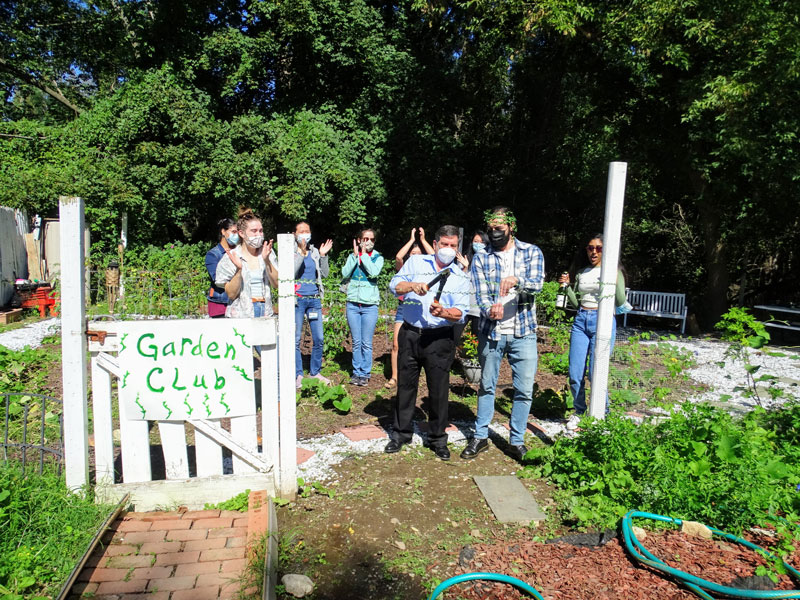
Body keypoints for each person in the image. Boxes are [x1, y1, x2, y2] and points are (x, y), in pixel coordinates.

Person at [461, 207, 544, 462]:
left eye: (499, 227)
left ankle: (516, 441)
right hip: (492, 331)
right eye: (491, 228)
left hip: (523, 332)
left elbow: (537, 285)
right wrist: (489, 310)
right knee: (486, 385)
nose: (494, 232)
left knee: (523, 389)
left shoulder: (531, 252)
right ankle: (480, 436)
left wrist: (517, 280)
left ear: (511, 227)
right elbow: (481, 292)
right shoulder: (482, 257)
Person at [386, 225, 470, 461]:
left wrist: (444, 312)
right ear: (434, 244)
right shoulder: (415, 264)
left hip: (440, 337)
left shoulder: (461, 276)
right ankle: (401, 434)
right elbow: (395, 286)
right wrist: (412, 286)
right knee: (405, 386)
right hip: (411, 333)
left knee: (439, 391)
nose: (448, 249)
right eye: (444, 244)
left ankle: (437, 439)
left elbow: (461, 313)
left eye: (453, 246)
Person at [558, 233, 628, 431]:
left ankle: (601, 413)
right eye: (590, 248)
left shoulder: (612, 271)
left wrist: (615, 278)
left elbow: (621, 301)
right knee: (575, 371)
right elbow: (575, 303)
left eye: (599, 248)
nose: (594, 252)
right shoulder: (582, 273)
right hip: (581, 319)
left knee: (596, 370)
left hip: (603, 320)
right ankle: (579, 412)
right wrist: (566, 286)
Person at [385, 228, 435, 390]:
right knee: (396, 344)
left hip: (423, 312)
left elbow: (434, 254)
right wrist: (411, 239)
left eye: (418, 254)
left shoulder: (429, 269)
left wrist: (423, 240)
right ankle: (394, 377)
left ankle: (415, 376)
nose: (415, 256)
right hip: (403, 309)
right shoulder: (404, 270)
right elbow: (399, 257)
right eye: (412, 254)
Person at [214, 209, 277, 319]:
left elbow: (277, 284)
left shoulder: (267, 252)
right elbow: (231, 294)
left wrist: (267, 261)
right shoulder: (232, 256)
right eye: (254, 231)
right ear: (241, 233)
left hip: (265, 311)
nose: (258, 235)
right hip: (241, 314)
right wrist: (239, 270)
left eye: (261, 231)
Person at [342, 228, 385, 386]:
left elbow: (374, 273)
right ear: (359, 240)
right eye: (365, 239)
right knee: (356, 341)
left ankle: (365, 373)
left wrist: (364, 256)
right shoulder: (352, 255)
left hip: (370, 305)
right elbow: (345, 273)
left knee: (366, 342)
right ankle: (356, 372)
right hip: (352, 303)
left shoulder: (377, 257)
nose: (368, 242)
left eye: (371, 239)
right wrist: (355, 257)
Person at [294, 221, 333, 388]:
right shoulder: (291, 252)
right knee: (295, 339)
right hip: (297, 300)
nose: (304, 234)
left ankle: (315, 372)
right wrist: (301, 254)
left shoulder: (316, 251)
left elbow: (325, 274)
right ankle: (298, 375)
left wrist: (323, 256)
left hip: (314, 299)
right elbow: (291, 273)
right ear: (295, 234)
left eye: (307, 231)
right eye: (301, 231)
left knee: (319, 338)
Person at [205, 218, 239, 318]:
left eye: (237, 232)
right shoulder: (213, 255)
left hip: (238, 303)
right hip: (220, 303)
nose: (236, 235)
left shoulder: (239, 252)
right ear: (223, 232)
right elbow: (217, 279)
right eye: (233, 232)